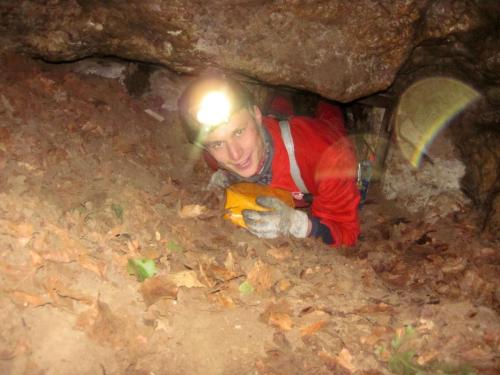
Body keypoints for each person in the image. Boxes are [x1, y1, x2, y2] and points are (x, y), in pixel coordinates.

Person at [177, 75, 360, 246]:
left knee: (331, 112)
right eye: (217, 144)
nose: (235, 154)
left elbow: (346, 232)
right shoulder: (214, 155)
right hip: (274, 130)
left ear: (257, 116)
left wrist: (300, 226)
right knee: (278, 109)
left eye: (239, 132)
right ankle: (283, 95)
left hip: (326, 138)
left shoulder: (328, 157)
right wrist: (225, 175)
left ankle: (325, 98)